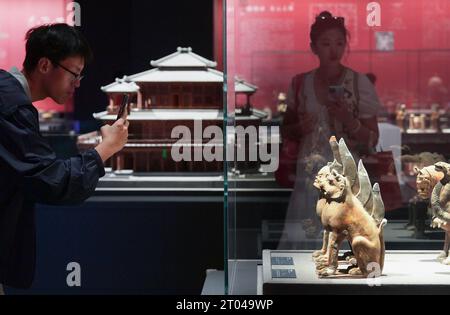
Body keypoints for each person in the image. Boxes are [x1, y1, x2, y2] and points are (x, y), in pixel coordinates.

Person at [0, 23, 129, 291]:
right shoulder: (11, 107)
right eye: (74, 74)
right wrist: (106, 148)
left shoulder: (7, 96)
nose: (78, 84)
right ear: (45, 65)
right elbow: (50, 181)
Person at [277, 11, 381, 248]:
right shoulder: (300, 83)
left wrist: (348, 119)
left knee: (345, 231)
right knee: (307, 231)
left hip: (346, 172)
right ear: (314, 47)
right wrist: (302, 126)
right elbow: (286, 130)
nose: (334, 50)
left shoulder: (358, 83)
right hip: (309, 171)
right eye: (326, 44)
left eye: (339, 43)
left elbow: (372, 138)